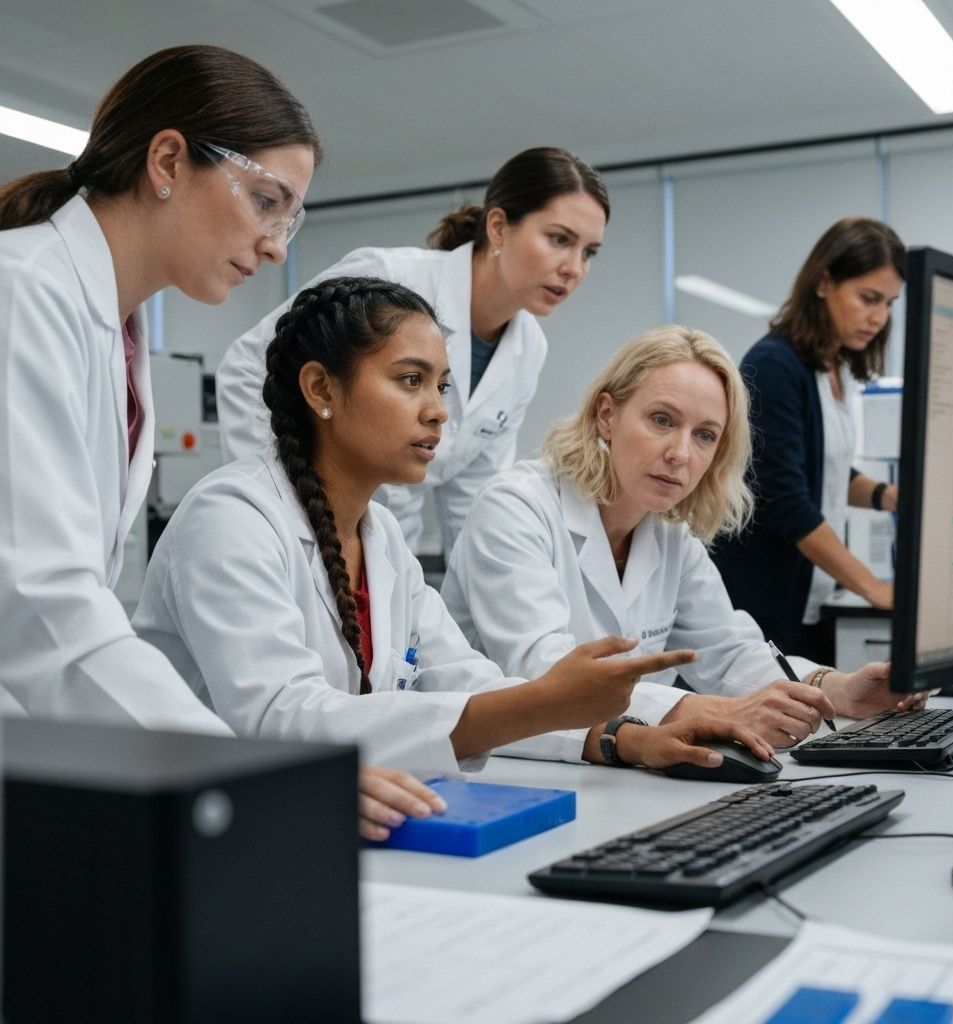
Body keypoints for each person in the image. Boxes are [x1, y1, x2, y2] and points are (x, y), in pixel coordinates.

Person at [133, 279, 750, 838]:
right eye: (410, 381)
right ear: (322, 388)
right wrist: (550, 701)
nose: (438, 410)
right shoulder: (232, 518)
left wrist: (622, 740)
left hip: (316, 823)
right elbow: (281, 718)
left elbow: (466, 681)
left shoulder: (381, 543)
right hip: (185, 830)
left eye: (442, 386)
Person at [0, 44, 318, 735]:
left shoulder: (120, 330)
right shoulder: (21, 290)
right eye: (266, 202)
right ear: (168, 162)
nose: (275, 248)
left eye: (289, 219)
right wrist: (227, 765)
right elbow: (40, 602)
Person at [442, 326, 924, 765]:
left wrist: (838, 690)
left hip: (618, 772)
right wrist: (709, 710)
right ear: (607, 415)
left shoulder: (668, 532)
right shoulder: (515, 508)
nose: (680, 454)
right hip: (507, 772)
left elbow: (729, 653)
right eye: (661, 420)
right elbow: (546, 676)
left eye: (705, 435)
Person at [216, 146, 610, 557]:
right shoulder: (388, 279)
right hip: (297, 526)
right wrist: (277, 507)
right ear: (498, 227)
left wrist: (484, 590)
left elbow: (472, 496)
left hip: (386, 546)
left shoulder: (528, 348)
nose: (574, 268)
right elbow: (248, 367)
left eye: (589, 252)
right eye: (559, 239)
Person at [711, 217, 905, 664]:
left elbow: (825, 468)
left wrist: (888, 497)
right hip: (763, 599)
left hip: (811, 595)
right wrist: (872, 586)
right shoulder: (775, 366)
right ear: (824, 283)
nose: (879, 317)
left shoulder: (832, 369)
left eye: (890, 304)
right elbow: (786, 499)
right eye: (868, 298)